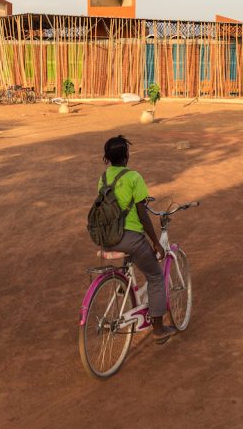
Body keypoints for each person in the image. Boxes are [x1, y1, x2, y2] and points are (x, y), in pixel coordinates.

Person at [98, 135, 178, 343]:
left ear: (108, 158)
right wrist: (156, 242)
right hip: (129, 238)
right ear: (126, 155)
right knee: (155, 276)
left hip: (107, 237)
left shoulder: (104, 178)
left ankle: (124, 283)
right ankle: (159, 329)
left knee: (133, 256)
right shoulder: (134, 177)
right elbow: (143, 215)